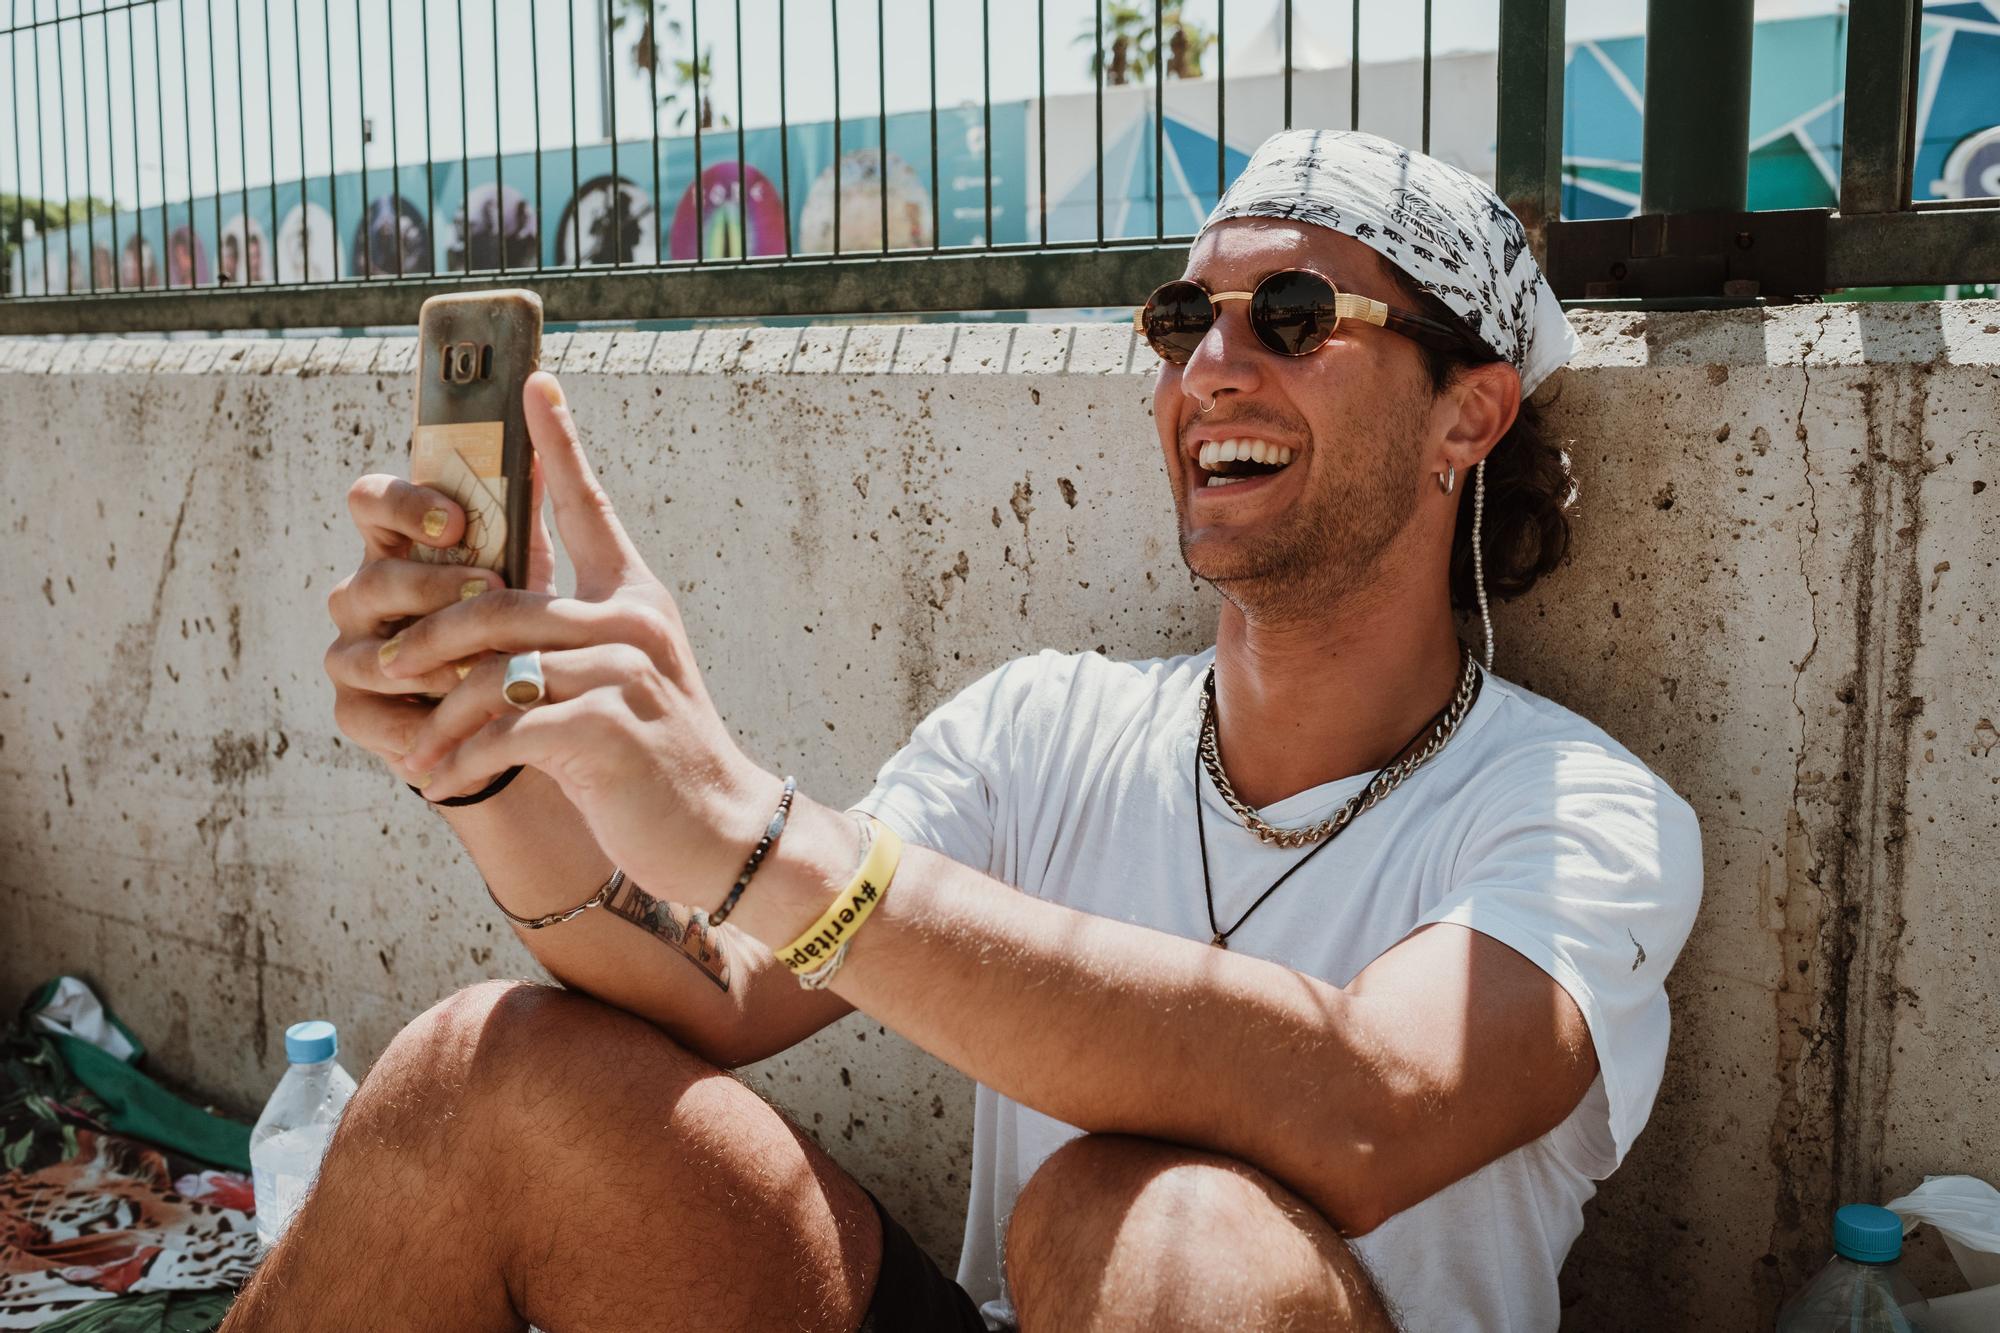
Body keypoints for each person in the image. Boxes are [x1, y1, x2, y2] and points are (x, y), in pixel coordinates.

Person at [236, 129, 1701, 1332]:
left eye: (1299, 319)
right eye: (1182, 320)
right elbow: (728, 984)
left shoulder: (1579, 810)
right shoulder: (1042, 723)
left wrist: (766, 839)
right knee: (475, 1070)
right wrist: (490, 754)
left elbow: (1377, 1105)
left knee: (1160, 1222)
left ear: (1470, 415)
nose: (1211, 368)